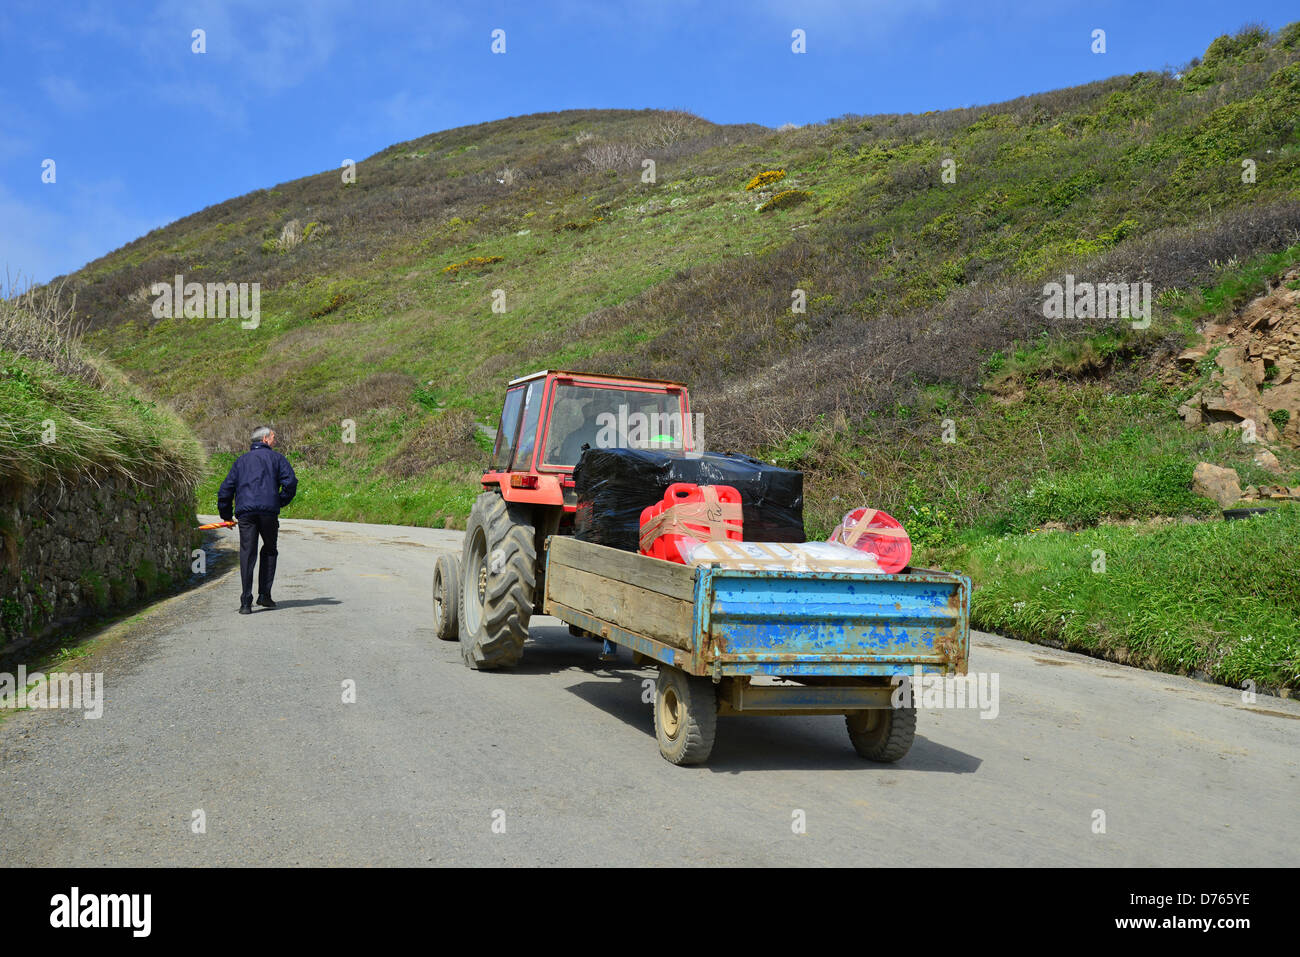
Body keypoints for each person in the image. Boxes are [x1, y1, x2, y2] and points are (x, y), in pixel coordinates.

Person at [217, 426, 298, 614]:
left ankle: (246, 602)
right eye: (273, 437)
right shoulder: (277, 459)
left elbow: (225, 489)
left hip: (245, 513)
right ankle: (264, 595)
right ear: (265, 439)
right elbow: (291, 483)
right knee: (269, 550)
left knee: (247, 553)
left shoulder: (241, 461)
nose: (275, 440)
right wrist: (279, 501)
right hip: (268, 513)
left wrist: (226, 515)